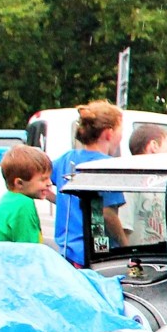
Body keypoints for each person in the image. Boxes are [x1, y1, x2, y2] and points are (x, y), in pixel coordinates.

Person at [51, 101, 126, 265]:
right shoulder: (108, 166)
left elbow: (45, 179)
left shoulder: (67, 159)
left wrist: (62, 200)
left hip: (66, 252)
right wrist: (125, 245)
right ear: (108, 133)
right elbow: (107, 214)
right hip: (95, 251)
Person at [0, 145, 55, 245]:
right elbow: (30, 249)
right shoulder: (23, 204)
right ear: (19, 183)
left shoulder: (8, 198)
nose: (49, 183)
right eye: (43, 179)